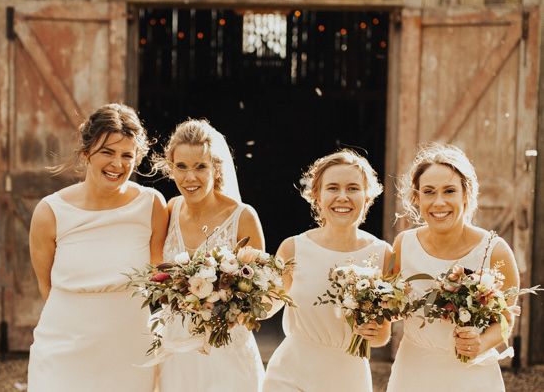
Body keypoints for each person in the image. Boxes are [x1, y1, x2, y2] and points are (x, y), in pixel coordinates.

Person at [27, 103, 168, 392]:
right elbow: (46, 287)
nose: (118, 164)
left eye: (127, 155)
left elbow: (160, 277)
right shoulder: (50, 212)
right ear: (86, 152)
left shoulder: (152, 205)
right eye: (108, 152)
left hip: (128, 350)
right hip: (63, 349)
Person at [387, 143, 519, 392]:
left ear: (466, 194)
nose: (439, 202)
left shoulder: (495, 250)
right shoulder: (402, 244)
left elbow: (506, 318)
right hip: (413, 371)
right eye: (429, 192)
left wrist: (480, 342)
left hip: (472, 375)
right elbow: (392, 304)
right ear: (417, 197)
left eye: (449, 191)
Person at [263, 149, 391, 391]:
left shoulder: (383, 254)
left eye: (353, 188)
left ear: (367, 196)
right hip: (290, 375)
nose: (342, 196)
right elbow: (266, 306)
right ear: (317, 197)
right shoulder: (293, 248)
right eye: (332, 188)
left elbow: (383, 335)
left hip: (349, 378)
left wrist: (375, 333)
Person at [152, 119, 266, 392]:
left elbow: (260, 291)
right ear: (171, 168)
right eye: (181, 167)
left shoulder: (243, 216)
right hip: (176, 347)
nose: (190, 178)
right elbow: (156, 273)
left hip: (226, 347)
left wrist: (220, 302)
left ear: (216, 167)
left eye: (200, 166)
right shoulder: (170, 209)